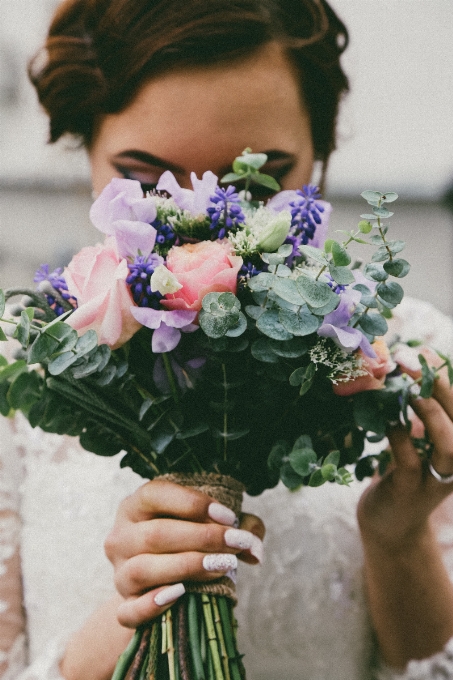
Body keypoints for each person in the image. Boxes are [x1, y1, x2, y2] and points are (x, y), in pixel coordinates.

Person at [1, 1, 453, 679]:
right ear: (85, 153)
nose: (202, 226)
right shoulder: (29, 372)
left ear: (321, 156)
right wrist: (129, 610)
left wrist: (396, 537)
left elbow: (424, 660)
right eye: (151, 182)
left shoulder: (402, 355)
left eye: (256, 178)